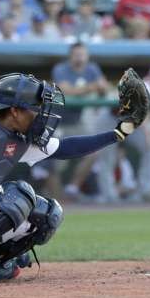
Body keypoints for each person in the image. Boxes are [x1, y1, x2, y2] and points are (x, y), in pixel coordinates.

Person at [0, 71, 147, 284]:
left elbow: (65, 148)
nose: (42, 115)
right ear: (14, 111)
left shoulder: (16, 134)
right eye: (36, 109)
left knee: (47, 213)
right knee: (17, 195)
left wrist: (118, 133)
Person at [93, 61, 150, 202]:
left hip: (132, 123)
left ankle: (145, 191)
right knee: (108, 155)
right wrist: (149, 136)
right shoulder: (142, 86)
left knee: (149, 149)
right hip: (112, 118)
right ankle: (109, 196)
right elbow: (139, 113)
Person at [50, 41, 110, 199]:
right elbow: (65, 90)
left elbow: (104, 87)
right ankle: (55, 195)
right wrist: (91, 87)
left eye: (83, 54)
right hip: (56, 120)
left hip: (77, 121)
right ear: (70, 56)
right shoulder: (60, 68)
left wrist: (101, 89)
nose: (80, 58)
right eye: (77, 55)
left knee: (93, 151)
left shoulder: (92, 68)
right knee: (55, 162)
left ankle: (73, 187)